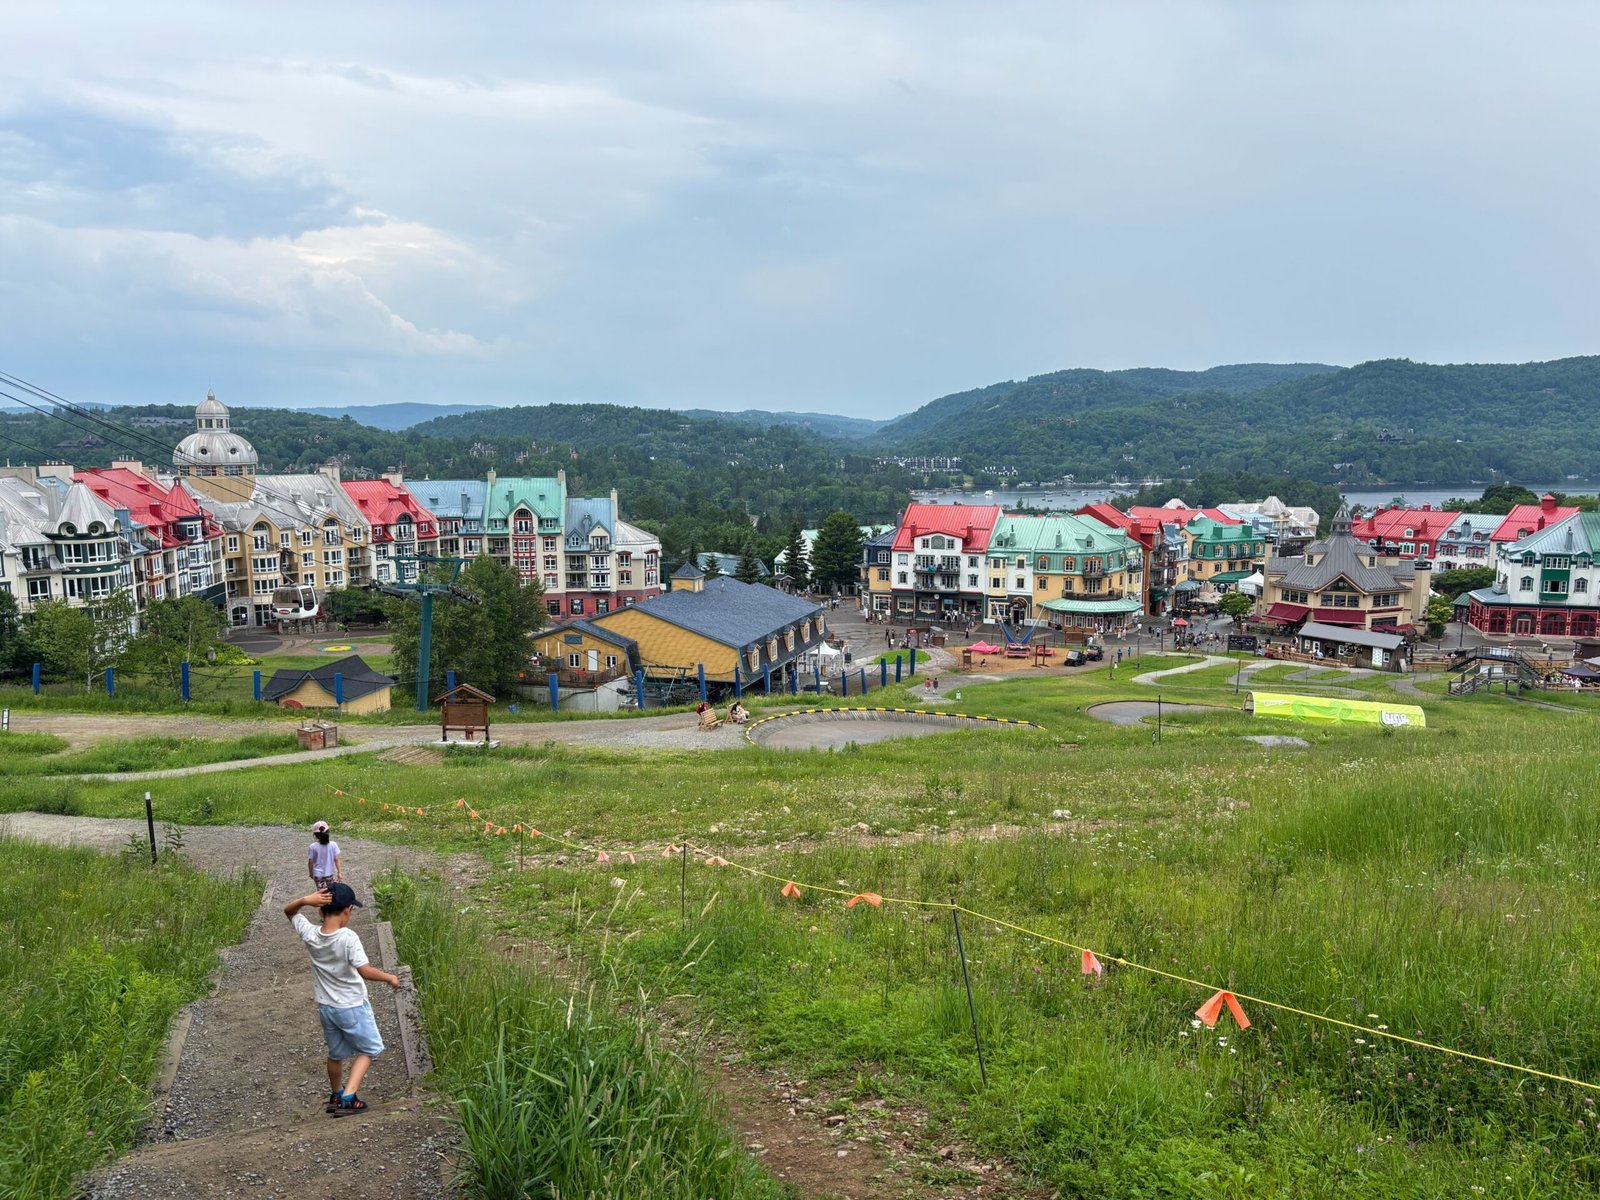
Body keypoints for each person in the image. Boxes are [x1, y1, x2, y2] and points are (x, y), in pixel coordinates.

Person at [284, 882, 400, 1117]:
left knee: (335, 1053)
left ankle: (336, 1094)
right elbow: (364, 970)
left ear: (320, 910)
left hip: (327, 1008)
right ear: (347, 910)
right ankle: (349, 1097)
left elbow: (289, 911)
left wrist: (305, 899)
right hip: (352, 1006)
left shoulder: (310, 933)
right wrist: (390, 978)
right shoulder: (348, 937)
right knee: (370, 1049)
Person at [308, 821, 341, 891]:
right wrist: (339, 872)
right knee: (332, 891)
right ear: (328, 832)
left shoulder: (312, 847)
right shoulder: (333, 845)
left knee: (321, 894)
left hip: (317, 874)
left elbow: (311, 861)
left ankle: (323, 902)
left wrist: (311, 872)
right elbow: (336, 859)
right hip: (330, 873)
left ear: (316, 835)